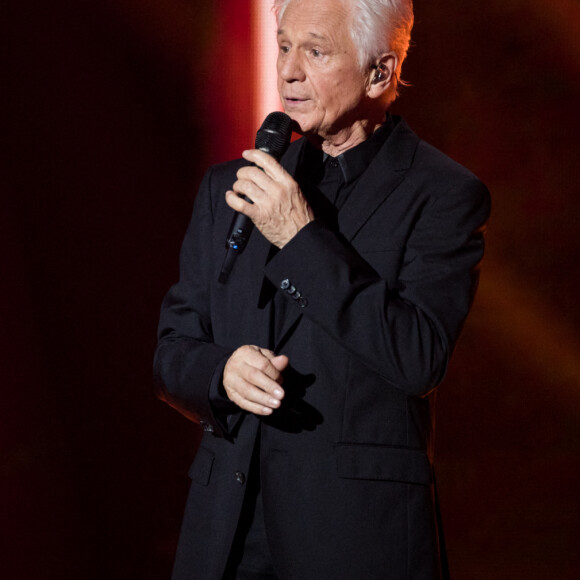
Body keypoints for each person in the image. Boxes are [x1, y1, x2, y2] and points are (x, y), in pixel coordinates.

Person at [154, 0, 490, 578]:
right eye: (284, 46)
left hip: (355, 537)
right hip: (228, 533)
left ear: (379, 71)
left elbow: (417, 358)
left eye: (315, 50)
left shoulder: (443, 196)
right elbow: (172, 350)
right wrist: (221, 373)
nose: (287, 71)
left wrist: (300, 236)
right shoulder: (232, 188)